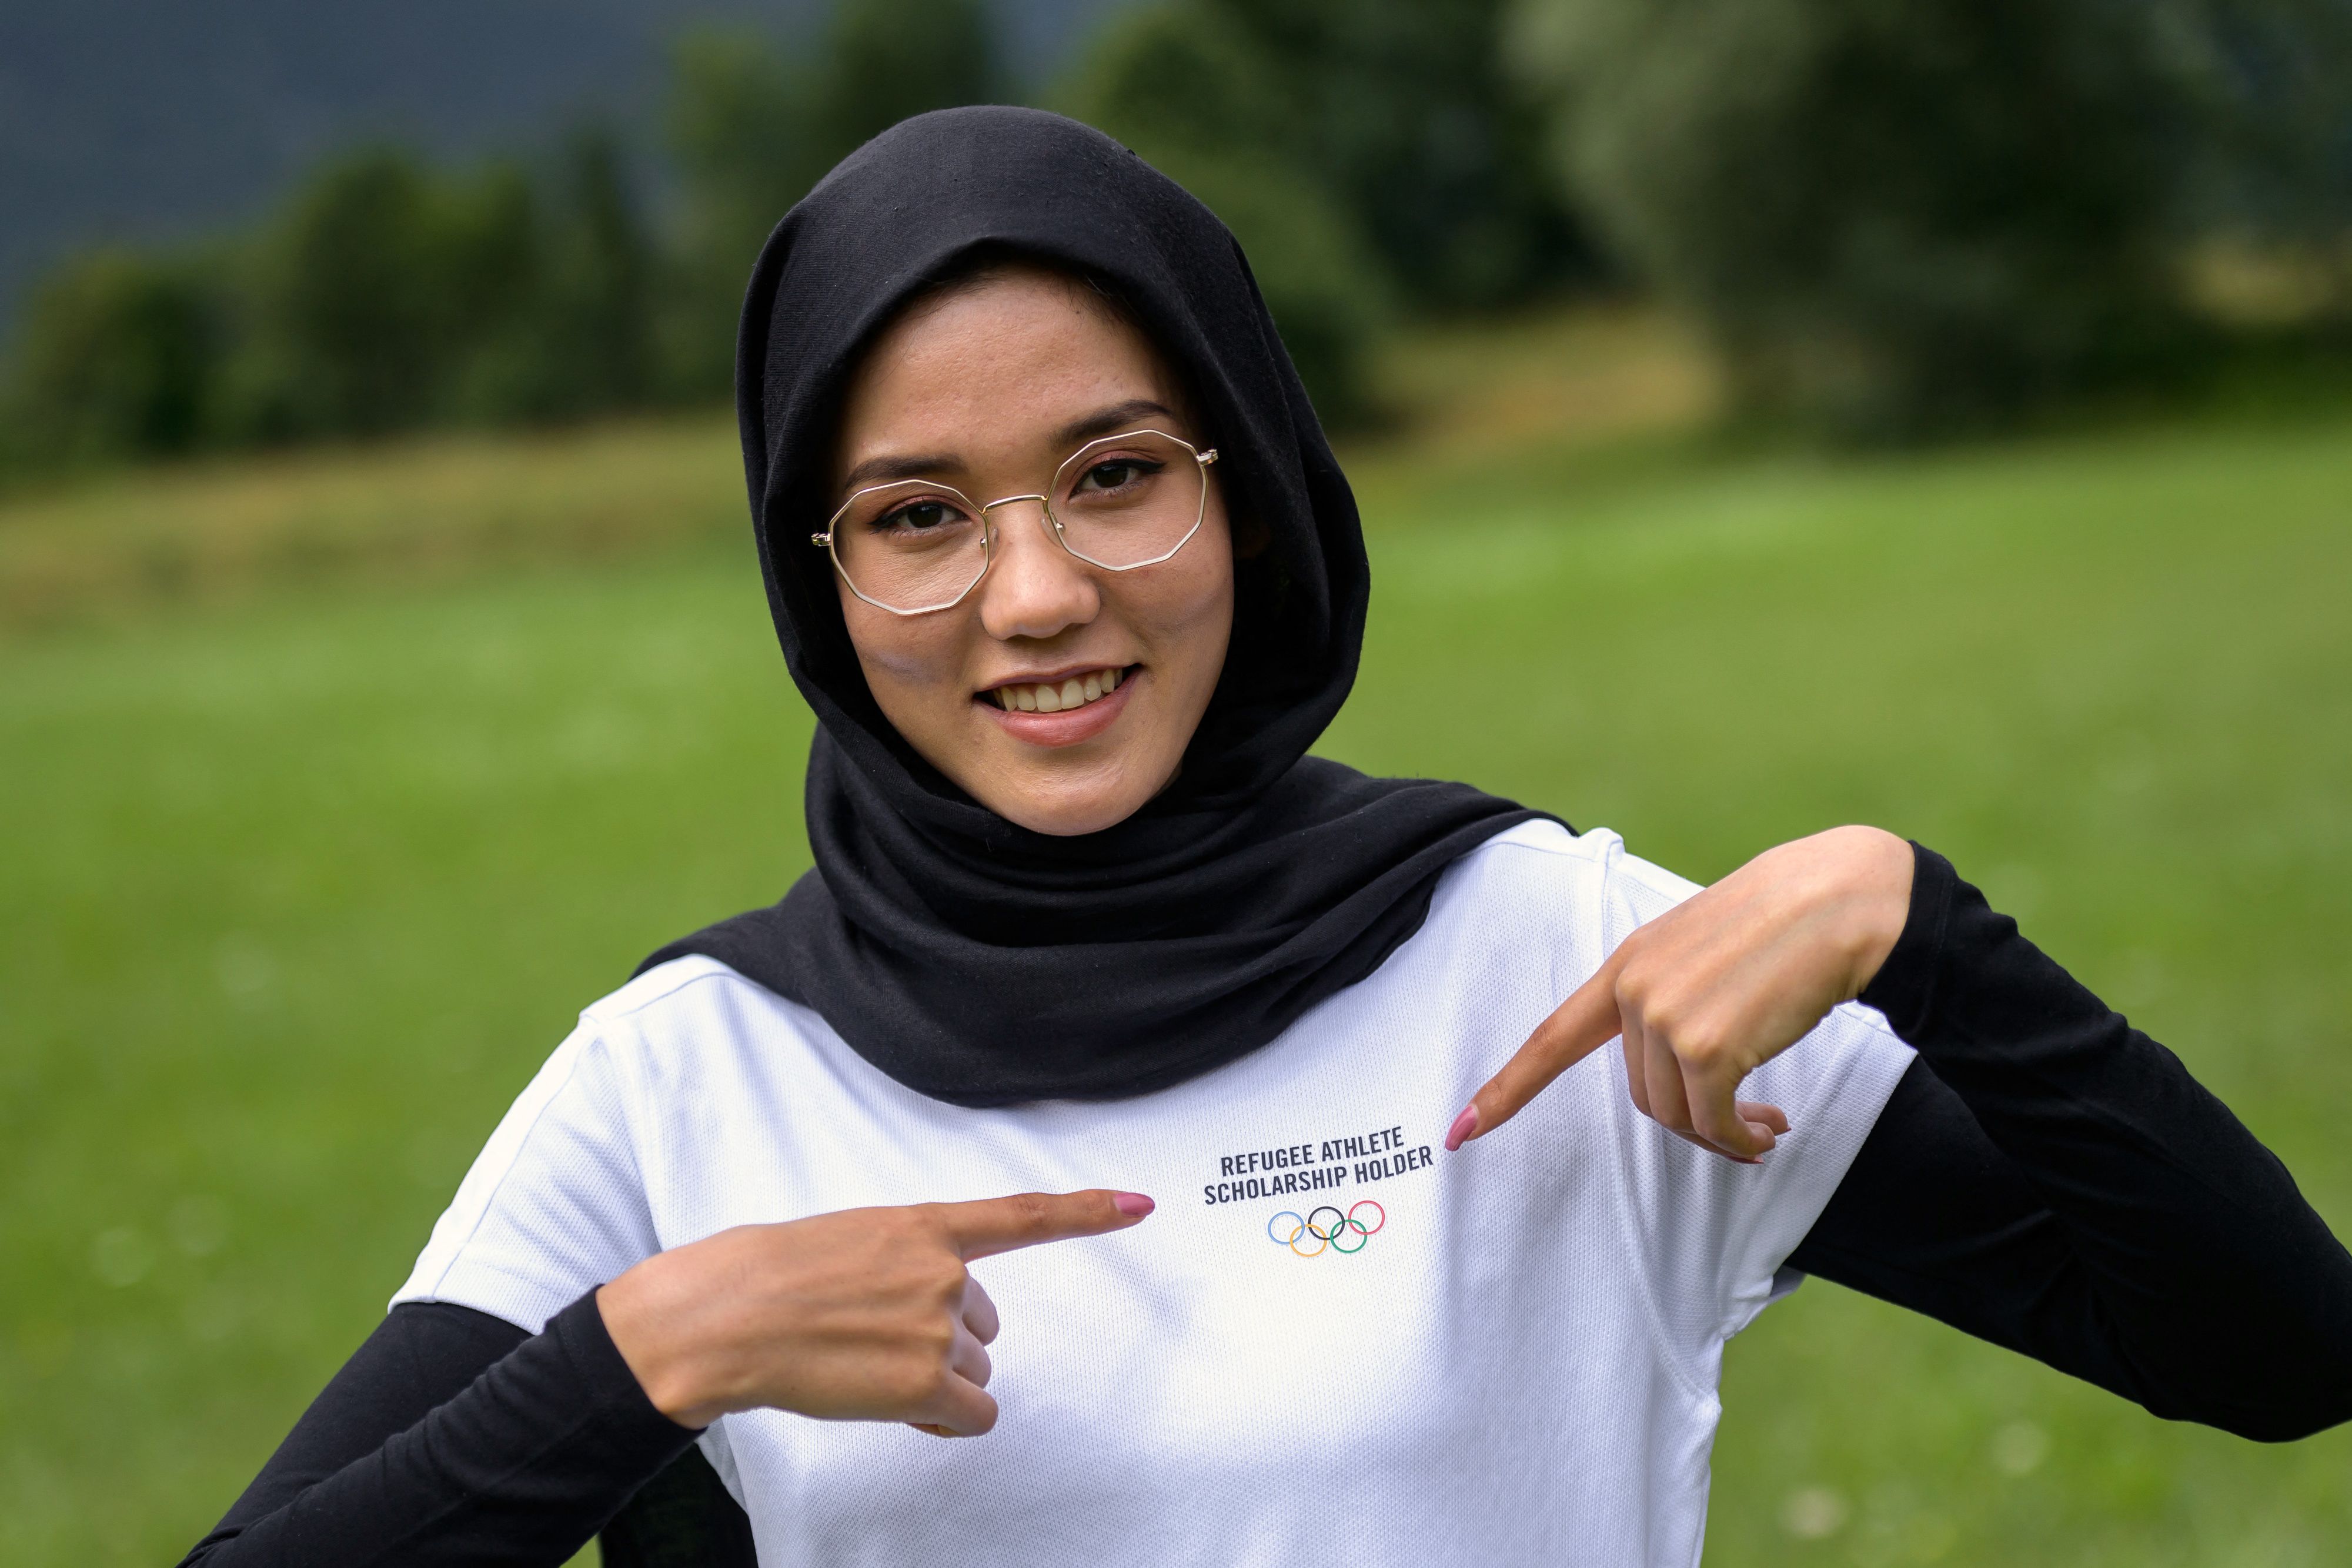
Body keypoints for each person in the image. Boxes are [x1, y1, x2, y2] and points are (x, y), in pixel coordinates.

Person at [178, 108, 2352, 1568]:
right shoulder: (684, 1083)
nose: (1033, 595)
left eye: (1115, 471)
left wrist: (1923, 929)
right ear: (817, 575)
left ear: (1253, 490)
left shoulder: (1552, 958)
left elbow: (2278, 1356)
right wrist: (638, 1360)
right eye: (919, 515)